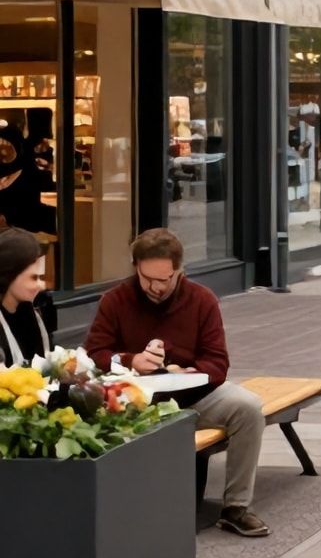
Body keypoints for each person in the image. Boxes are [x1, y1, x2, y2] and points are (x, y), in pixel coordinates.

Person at [84, 229, 271, 537]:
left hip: (194, 395)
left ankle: (235, 507)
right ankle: (121, 507)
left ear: (180, 272)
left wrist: (188, 373)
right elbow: (95, 355)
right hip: (135, 400)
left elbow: (218, 363)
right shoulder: (115, 301)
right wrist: (130, 360)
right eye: (148, 279)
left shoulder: (202, 300)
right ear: (136, 267)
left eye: (165, 279)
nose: (156, 288)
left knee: (248, 408)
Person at [0, 227, 51, 367]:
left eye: (42, 277)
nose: (42, 285)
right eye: (34, 278)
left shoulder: (30, 312)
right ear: (10, 275)